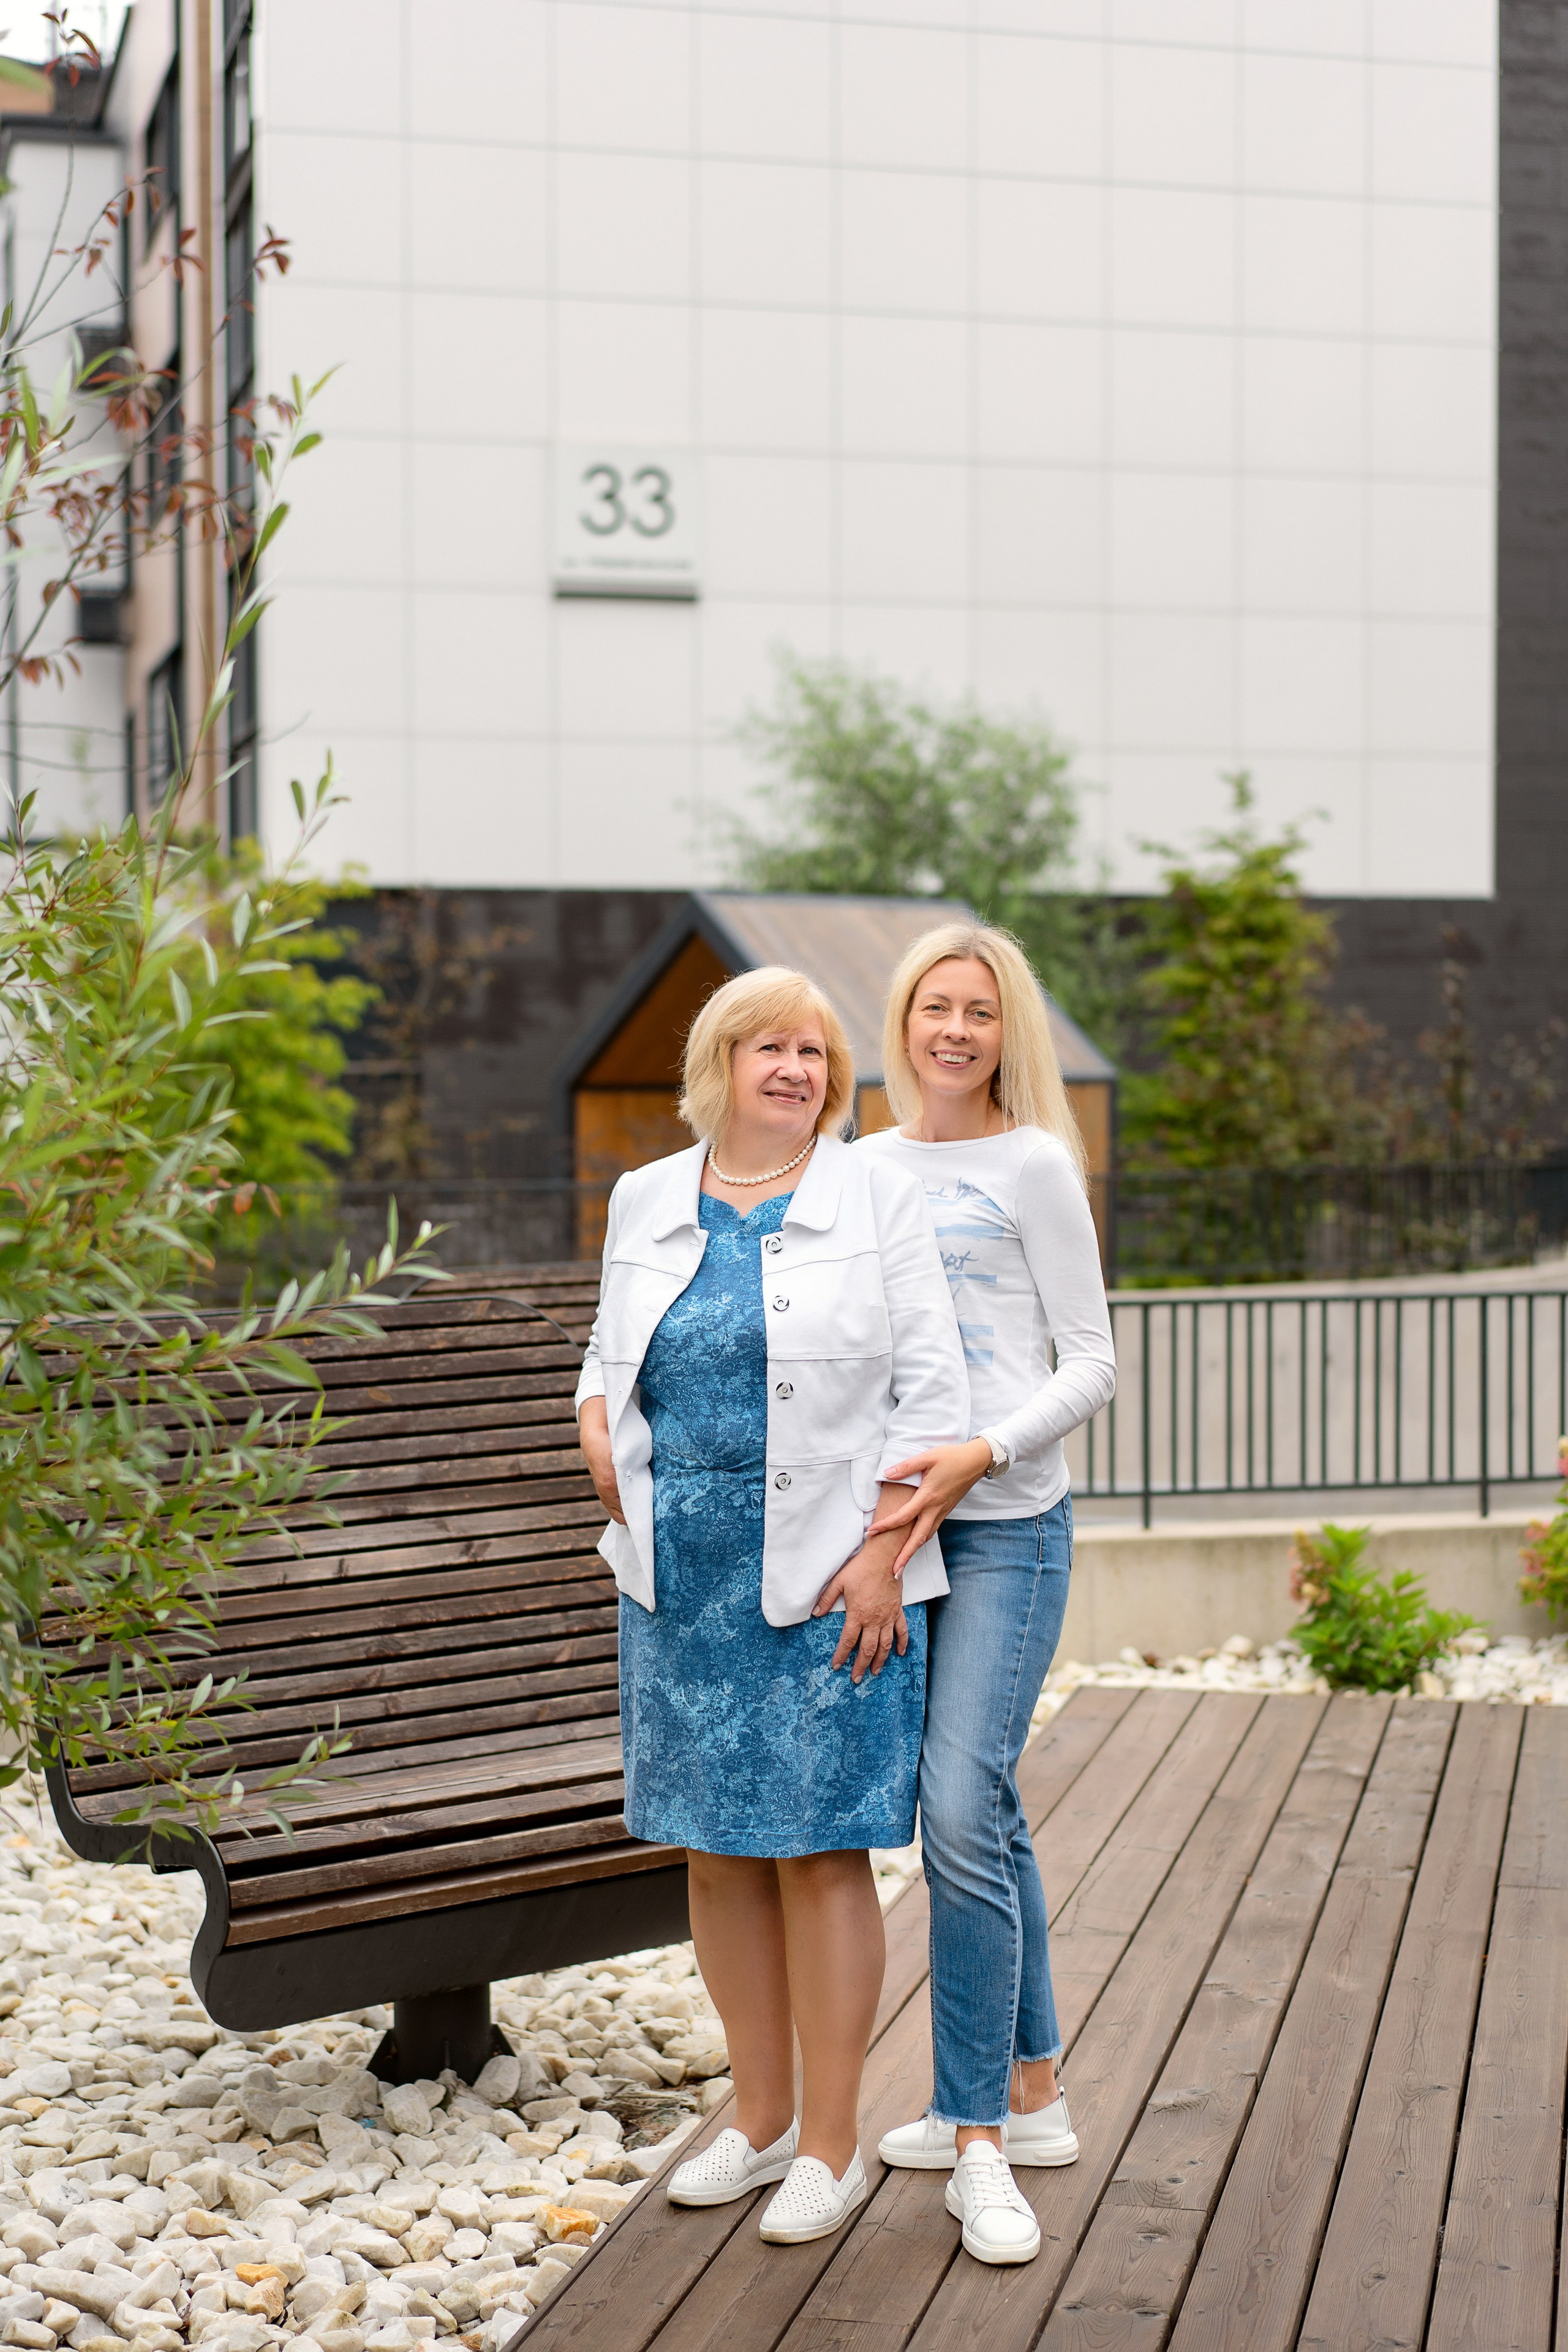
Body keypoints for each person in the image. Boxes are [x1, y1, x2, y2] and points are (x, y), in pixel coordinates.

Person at [575, 965, 968, 2247]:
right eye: (770, 1049)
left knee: (815, 1846)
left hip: (828, 1571)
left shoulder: (875, 1193)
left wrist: (879, 1555)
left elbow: (932, 1394)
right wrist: (591, 1417)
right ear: (720, 1064)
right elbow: (609, 1354)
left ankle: (836, 2145)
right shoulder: (645, 1195)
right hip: (678, 1573)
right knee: (716, 1846)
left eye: (814, 1050)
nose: (796, 1069)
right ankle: (758, 2119)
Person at [856, 921, 1117, 2269]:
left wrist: (978, 1454)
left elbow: (1090, 1364)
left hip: (1006, 1530)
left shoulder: (1031, 1167)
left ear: (1004, 1030)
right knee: (981, 1810)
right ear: (899, 1022)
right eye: (931, 1008)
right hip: (903, 1544)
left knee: (955, 1807)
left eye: (977, 1011)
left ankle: (972, 2136)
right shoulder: (858, 1170)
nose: (952, 1030)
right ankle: (1033, 2092)